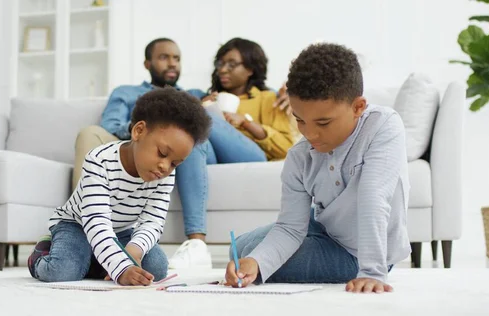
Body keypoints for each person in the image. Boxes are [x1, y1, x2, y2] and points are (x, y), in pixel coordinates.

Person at [224, 43, 411, 294]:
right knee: (245, 251)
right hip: (326, 228)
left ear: (358, 107)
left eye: (323, 122)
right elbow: (290, 228)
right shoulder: (300, 156)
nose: (310, 134)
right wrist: (255, 263)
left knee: (252, 254)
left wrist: (372, 273)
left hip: (357, 255)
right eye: (300, 120)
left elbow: (373, 199)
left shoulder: (383, 126)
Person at [28, 88, 211, 285]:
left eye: (175, 163)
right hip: (79, 225)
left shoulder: (165, 174)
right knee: (63, 270)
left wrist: (135, 249)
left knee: (157, 267)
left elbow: (153, 221)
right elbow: (96, 222)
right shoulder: (99, 160)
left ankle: (97, 259)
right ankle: (46, 252)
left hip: (121, 230)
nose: (165, 167)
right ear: (138, 131)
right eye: (162, 153)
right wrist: (121, 267)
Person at [169, 38, 300, 269]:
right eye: (220, 63)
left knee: (204, 117)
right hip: (214, 152)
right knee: (192, 141)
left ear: (250, 69)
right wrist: (201, 104)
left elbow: (286, 146)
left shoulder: (269, 99)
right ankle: (197, 244)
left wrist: (246, 123)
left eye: (232, 64)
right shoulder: (209, 97)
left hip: (253, 154)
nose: (223, 69)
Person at [73, 38, 205, 187]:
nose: (172, 63)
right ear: (147, 64)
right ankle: (84, 206)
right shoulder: (126, 92)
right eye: (164, 57)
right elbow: (110, 125)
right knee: (90, 133)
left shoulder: (194, 96)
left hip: (173, 150)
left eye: (177, 58)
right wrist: (143, 130)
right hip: (130, 143)